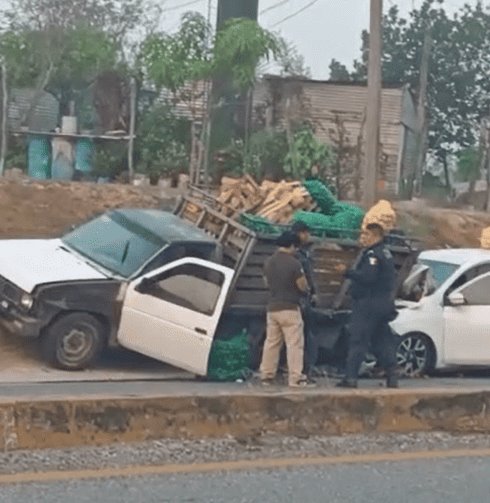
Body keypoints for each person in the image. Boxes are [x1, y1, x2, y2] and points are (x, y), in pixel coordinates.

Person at [337, 223, 399, 389]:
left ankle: (350, 377)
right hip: (383, 303)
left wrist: (347, 272)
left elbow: (368, 277)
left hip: (369, 304)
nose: (362, 238)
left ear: (375, 236)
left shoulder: (373, 254)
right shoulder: (386, 253)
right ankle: (392, 376)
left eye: (366, 235)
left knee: (359, 340)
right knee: (382, 340)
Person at [260, 231, 314, 388]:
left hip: (272, 308)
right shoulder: (294, 263)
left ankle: (267, 376)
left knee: (271, 343)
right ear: (291, 245)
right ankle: (295, 378)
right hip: (290, 307)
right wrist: (307, 291)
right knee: (294, 344)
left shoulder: (268, 262)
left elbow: (266, 283)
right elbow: (302, 285)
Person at [291, 221, 319, 381]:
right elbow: (304, 281)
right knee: (305, 337)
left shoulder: (300, 253)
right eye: (306, 233)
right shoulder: (299, 255)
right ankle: (305, 371)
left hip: (293, 302)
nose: (308, 236)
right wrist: (310, 292)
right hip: (301, 302)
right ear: (300, 233)